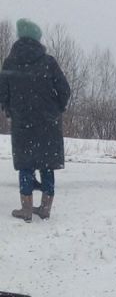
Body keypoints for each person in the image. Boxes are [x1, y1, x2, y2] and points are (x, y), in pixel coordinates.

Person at [0, 19, 71, 222]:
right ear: (37, 39)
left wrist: (10, 110)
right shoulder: (48, 62)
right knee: (47, 163)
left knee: (25, 164)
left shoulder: (10, 63)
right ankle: (46, 208)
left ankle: (26, 209)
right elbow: (65, 90)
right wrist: (56, 108)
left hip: (23, 123)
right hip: (48, 123)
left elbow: (2, 93)